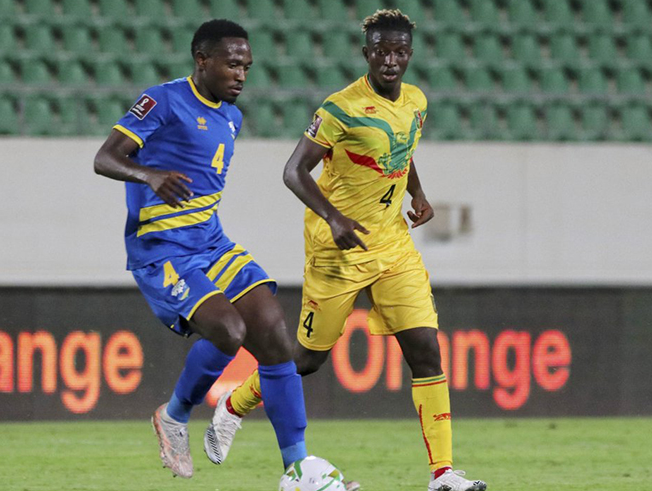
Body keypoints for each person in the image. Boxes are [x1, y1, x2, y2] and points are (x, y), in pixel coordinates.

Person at [205, 10, 487, 491]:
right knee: (306, 360)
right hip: (339, 250)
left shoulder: (417, 101)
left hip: (393, 245)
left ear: (410, 55)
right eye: (381, 50)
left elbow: (402, 148)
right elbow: (294, 171)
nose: (391, 59)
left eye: (399, 51)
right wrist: (334, 217)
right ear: (367, 53)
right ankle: (234, 403)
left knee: (426, 351)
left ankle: (443, 475)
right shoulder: (340, 108)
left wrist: (417, 193)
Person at [93, 19, 308, 479]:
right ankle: (174, 416)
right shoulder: (163, 101)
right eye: (232, 64)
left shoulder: (233, 116)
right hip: (162, 250)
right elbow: (105, 157)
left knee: (273, 332)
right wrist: (148, 175)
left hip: (210, 242)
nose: (241, 75)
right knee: (229, 332)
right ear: (202, 60)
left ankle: (299, 471)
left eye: (247, 66)